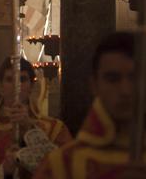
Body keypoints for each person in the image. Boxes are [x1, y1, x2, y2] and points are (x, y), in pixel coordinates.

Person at [33, 32, 146, 179]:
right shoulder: (61, 165)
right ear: (94, 84)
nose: (125, 90)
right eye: (113, 79)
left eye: (134, 78)